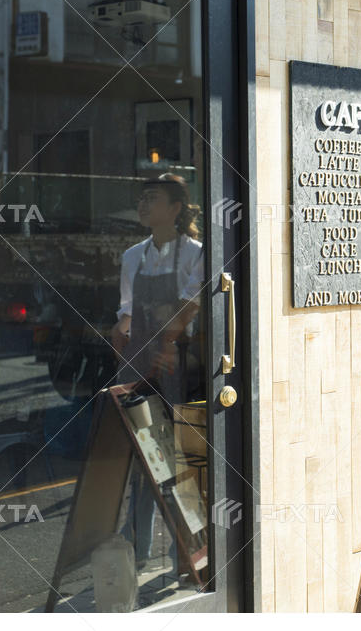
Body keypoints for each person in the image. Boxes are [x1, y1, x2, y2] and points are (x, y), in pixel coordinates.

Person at [111, 173, 204, 570]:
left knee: (178, 457)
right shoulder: (133, 256)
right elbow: (127, 310)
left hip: (177, 365)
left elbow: (190, 306)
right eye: (141, 199)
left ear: (176, 208)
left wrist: (166, 347)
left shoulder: (197, 253)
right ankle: (137, 547)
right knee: (143, 456)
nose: (143, 205)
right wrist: (121, 333)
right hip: (139, 364)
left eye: (152, 198)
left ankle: (187, 552)